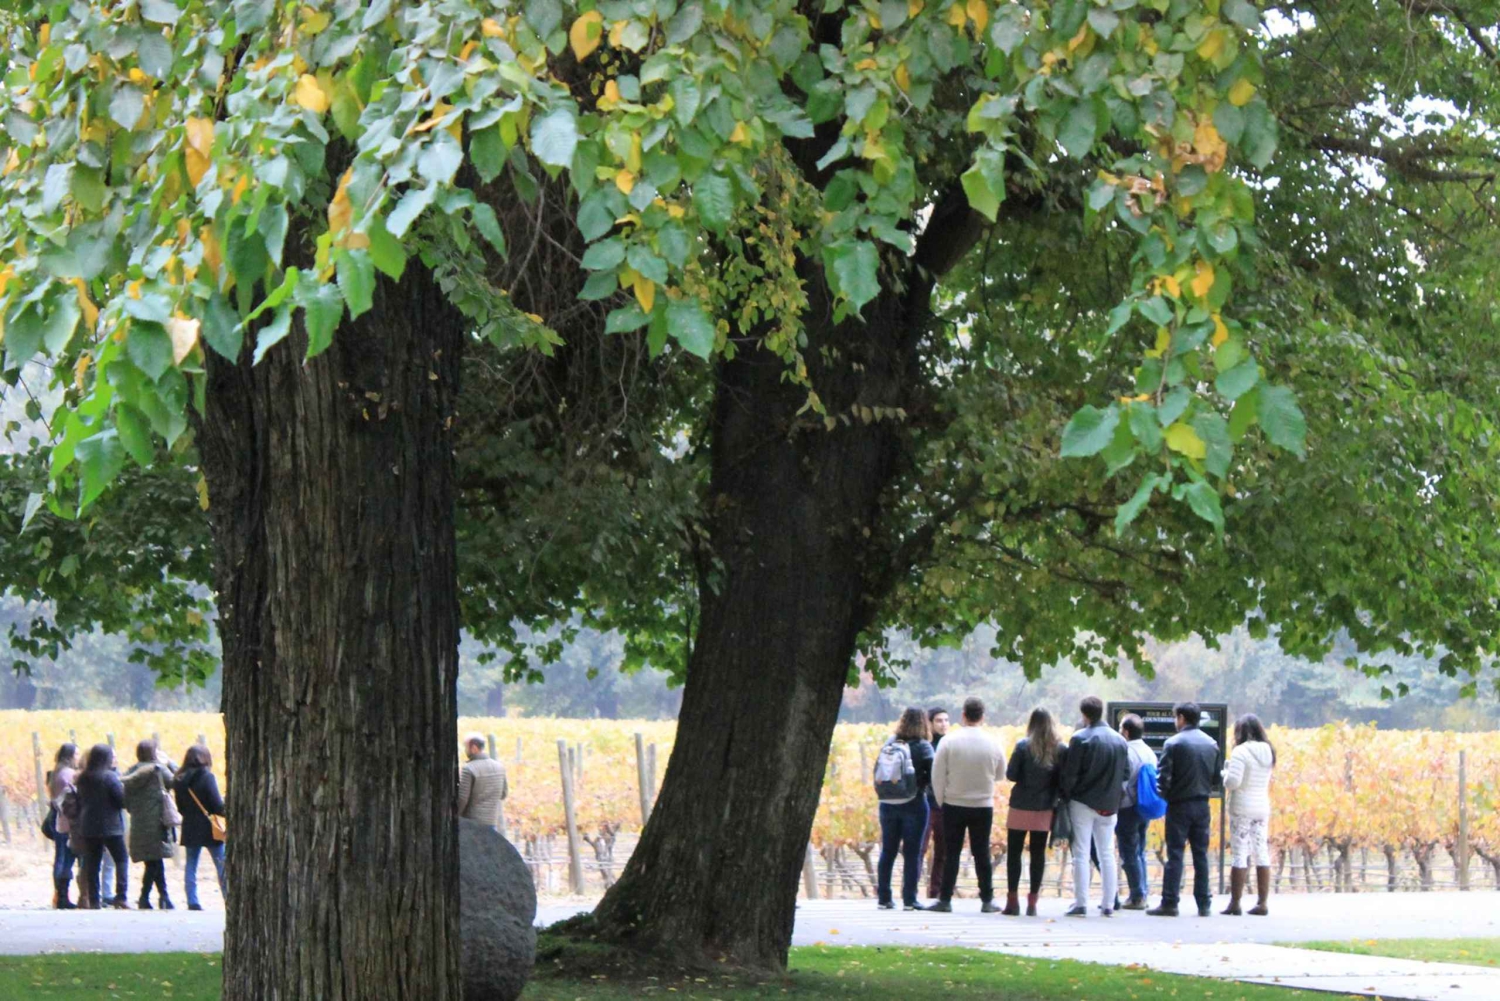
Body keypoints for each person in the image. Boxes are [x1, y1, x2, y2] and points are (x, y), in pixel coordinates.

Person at [929, 697, 1006, 913]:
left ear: (963, 715)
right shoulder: (993, 742)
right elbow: (1001, 773)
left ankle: (944, 899)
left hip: (953, 803)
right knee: (981, 851)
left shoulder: (949, 741)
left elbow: (937, 775)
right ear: (983, 716)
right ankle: (987, 899)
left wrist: (941, 800)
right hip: (983, 804)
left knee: (951, 852)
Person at [1149, 702, 1222, 917]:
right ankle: (1204, 903)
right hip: (1202, 804)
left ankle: (1170, 901)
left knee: (1175, 854)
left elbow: (1163, 778)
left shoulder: (1173, 743)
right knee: (1201, 854)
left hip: (1179, 804)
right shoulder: (1211, 744)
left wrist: (1164, 795)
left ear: (1181, 718)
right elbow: (1217, 777)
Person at [1058, 696, 1128, 917]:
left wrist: (1066, 795)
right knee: (1107, 852)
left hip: (1082, 802)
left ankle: (1081, 902)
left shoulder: (1080, 739)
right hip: (1109, 805)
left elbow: (1070, 774)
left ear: (1084, 715)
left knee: (1081, 853)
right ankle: (1108, 903)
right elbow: (1125, 774)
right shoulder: (1119, 740)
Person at [1002, 708, 1062, 916]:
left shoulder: (1022, 746)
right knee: (1038, 854)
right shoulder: (1058, 748)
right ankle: (1032, 902)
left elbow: (1011, 774)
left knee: (1014, 853)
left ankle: (1012, 901)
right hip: (1044, 806)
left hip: (1020, 804)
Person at [874, 707, 935, 911]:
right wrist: (923, 785)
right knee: (912, 852)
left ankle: (884, 897)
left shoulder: (890, 743)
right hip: (914, 802)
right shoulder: (923, 746)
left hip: (888, 803)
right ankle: (909, 898)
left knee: (888, 850)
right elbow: (933, 772)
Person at [1222, 713, 1275, 916]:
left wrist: (1224, 774)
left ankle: (1235, 902)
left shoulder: (1240, 752)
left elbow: (1233, 782)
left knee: (1240, 853)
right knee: (1261, 850)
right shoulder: (1268, 751)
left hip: (1242, 807)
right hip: (1261, 806)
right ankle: (1262, 902)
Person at [122, 740, 177, 910]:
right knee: (154, 860)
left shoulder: (132, 772)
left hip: (139, 822)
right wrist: (169, 762)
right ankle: (145, 897)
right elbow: (176, 781)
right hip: (158, 822)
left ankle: (163, 897)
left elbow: (125, 799)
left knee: (153, 860)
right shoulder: (159, 770)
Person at [74, 743, 128, 909]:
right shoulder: (110, 777)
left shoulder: (83, 778)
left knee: (93, 863)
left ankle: (94, 899)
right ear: (106, 758)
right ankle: (121, 896)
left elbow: (79, 800)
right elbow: (121, 800)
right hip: (111, 825)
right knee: (121, 859)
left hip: (88, 825)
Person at [175, 745, 227, 911]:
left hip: (190, 826)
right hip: (209, 827)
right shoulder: (207, 777)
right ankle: (228, 897)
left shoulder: (179, 779)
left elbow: (180, 807)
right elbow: (217, 805)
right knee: (221, 864)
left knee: (191, 864)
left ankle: (192, 901)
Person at [1116, 714, 1157, 910]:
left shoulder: (1126, 752)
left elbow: (1122, 783)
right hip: (1143, 808)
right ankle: (1143, 891)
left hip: (1127, 807)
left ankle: (1137, 895)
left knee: (1129, 852)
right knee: (1140, 850)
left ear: (1126, 731)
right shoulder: (1149, 751)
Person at [45, 743, 79, 909]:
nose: (78, 757)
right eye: (76, 754)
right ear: (70, 756)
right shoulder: (69, 774)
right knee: (65, 858)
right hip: (66, 820)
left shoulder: (56, 772)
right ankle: (63, 896)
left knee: (60, 856)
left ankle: (59, 895)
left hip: (57, 818)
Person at [922, 707, 950, 900]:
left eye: (946, 720)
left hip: (944, 803)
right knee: (920, 849)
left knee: (943, 850)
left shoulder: (950, 745)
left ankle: (936, 892)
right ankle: (910, 891)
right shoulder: (925, 745)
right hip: (926, 802)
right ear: (930, 723)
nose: (944, 724)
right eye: (939, 720)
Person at [457, 734, 509, 830]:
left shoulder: (469, 769)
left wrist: (455, 816)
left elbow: (462, 798)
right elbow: (504, 794)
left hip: (471, 823)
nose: (465, 750)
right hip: (492, 822)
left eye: (466, 747)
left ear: (474, 748)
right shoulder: (499, 767)